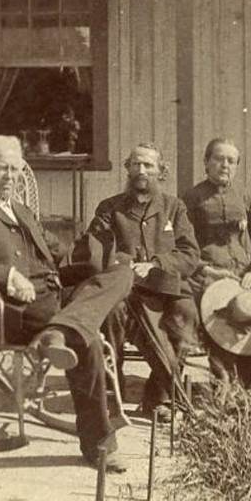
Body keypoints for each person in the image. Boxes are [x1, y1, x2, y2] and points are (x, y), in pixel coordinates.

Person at [0, 136, 135, 471]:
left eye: (15, 169)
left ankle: (59, 331)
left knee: (121, 273)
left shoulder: (23, 211)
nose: (10, 176)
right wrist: (7, 275)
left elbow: (60, 257)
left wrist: (100, 258)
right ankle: (100, 444)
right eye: (2, 169)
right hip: (10, 309)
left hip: (52, 300)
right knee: (84, 337)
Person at [85, 143, 199, 416]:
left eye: (148, 165)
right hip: (125, 289)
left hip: (168, 288)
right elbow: (93, 250)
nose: (141, 170)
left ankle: (158, 396)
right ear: (127, 169)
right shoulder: (110, 208)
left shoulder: (174, 207)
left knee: (187, 314)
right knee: (111, 313)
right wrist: (125, 263)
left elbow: (190, 254)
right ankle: (113, 387)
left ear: (161, 171)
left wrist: (157, 264)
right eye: (136, 164)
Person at [181, 138, 251, 383]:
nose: (224, 165)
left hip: (242, 275)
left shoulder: (245, 196)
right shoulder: (192, 197)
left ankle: (248, 381)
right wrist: (206, 270)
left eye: (231, 160)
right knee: (221, 321)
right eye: (219, 159)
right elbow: (182, 247)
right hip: (206, 275)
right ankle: (224, 379)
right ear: (206, 163)